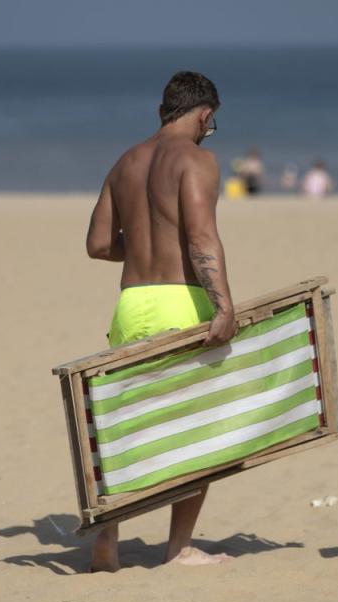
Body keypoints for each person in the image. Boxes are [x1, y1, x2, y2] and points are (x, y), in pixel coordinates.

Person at [84, 70, 238, 572]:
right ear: (205, 114)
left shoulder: (125, 162)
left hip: (131, 303)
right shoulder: (198, 160)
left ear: (161, 112)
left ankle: (109, 533)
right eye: (209, 124)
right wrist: (224, 306)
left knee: (127, 419)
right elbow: (201, 237)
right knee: (198, 423)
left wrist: (149, 244)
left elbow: (100, 245)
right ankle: (179, 547)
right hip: (181, 301)